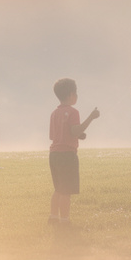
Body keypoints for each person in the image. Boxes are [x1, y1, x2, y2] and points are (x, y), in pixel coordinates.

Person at [48, 77, 100, 226]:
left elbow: (54, 135)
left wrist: (77, 134)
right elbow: (75, 130)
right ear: (71, 94)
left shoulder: (54, 113)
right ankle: (65, 221)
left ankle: (53, 217)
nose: (77, 96)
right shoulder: (73, 112)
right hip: (67, 155)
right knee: (66, 191)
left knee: (58, 188)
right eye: (76, 93)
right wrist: (91, 117)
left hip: (54, 154)